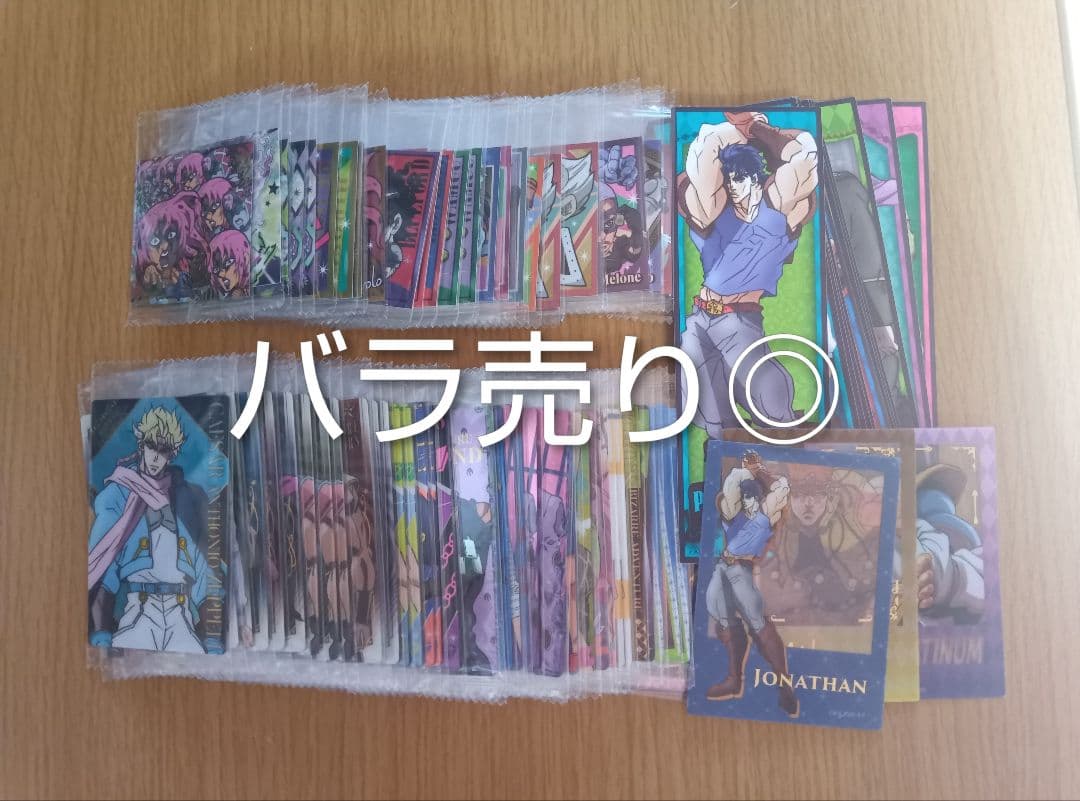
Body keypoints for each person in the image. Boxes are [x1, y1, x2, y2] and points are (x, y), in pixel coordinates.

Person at [677, 111, 819, 434]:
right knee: (710, 414)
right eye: (728, 180)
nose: (732, 187)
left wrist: (760, 130)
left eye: (739, 179)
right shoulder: (712, 211)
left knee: (771, 401)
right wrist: (738, 130)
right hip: (700, 320)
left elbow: (808, 158)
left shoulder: (777, 209)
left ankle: (789, 444)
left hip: (739, 322)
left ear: (755, 178)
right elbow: (704, 154)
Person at [87, 407, 221, 654]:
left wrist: (213, 637)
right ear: (141, 445)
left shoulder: (186, 497)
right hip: (140, 612)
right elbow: (104, 566)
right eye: (151, 446)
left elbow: (204, 566)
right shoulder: (118, 495)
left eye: (163, 450)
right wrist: (102, 633)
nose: (155, 457)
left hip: (180, 614)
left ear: (172, 454)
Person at [704, 458, 797, 716]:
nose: (749, 502)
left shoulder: (765, 517)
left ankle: (784, 684)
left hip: (740, 571)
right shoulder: (732, 512)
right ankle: (734, 679)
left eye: (753, 498)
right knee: (724, 621)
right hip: (723, 567)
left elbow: (781, 489)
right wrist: (748, 471)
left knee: (758, 624)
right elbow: (731, 487)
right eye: (747, 498)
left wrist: (761, 473)